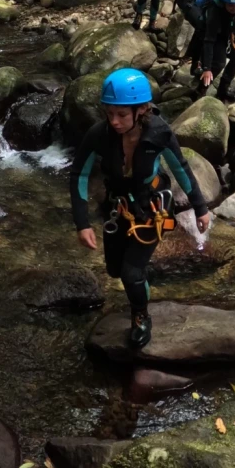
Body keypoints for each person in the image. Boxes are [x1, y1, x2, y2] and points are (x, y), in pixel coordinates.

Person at [70, 67, 211, 349]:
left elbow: (180, 168)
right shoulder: (98, 135)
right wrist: (82, 223)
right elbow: (80, 175)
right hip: (117, 208)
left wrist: (200, 208)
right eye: (109, 113)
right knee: (113, 269)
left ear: (143, 109)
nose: (115, 121)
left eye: (122, 114)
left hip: (152, 207)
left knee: (130, 272)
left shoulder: (159, 133)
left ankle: (141, 315)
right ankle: (138, 286)